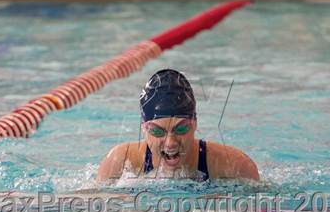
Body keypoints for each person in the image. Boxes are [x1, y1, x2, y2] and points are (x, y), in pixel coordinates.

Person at [97, 69, 259, 182]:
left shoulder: (235, 167)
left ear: (195, 124)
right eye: (158, 132)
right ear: (144, 128)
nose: (170, 143)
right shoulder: (121, 163)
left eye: (181, 129)